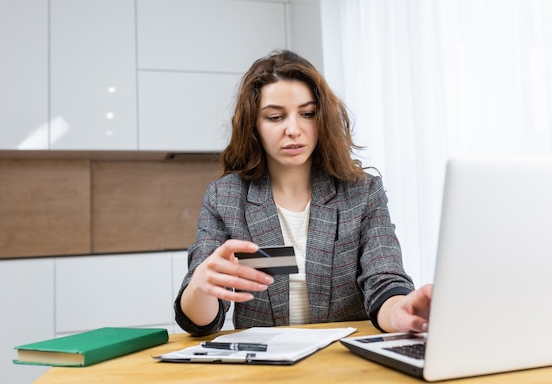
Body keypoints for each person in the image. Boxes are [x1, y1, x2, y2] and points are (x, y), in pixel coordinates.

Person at [175, 49, 432, 337]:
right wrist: (200, 285)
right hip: (265, 367)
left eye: (307, 114)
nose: (293, 130)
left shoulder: (362, 192)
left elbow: (384, 279)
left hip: (343, 362)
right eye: (275, 117)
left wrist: (400, 311)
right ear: (254, 125)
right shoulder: (225, 198)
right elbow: (200, 321)